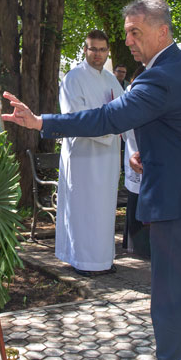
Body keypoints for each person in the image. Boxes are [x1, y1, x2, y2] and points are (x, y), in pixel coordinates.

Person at [3, 0, 181, 360]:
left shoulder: (161, 75)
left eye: (135, 32)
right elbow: (173, 127)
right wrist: (151, 152)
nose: (127, 41)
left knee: (168, 292)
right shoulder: (177, 65)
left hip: (178, 198)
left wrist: (42, 123)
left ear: (161, 32)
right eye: (126, 33)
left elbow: (109, 117)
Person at [55, 30, 125, 276]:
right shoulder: (73, 78)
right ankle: (82, 260)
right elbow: (75, 116)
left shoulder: (111, 80)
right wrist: (108, 131)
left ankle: (103, 259)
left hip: (108, 156)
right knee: (84, 207)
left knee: (105, 208)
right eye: (93, 49)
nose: (98, 54)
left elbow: (125, 110)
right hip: (83, 155)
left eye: (102, 50)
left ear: (108, 52)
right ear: (84, 50)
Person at [121, 65, 149, 258]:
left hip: (145, 149)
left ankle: (139, 244)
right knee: (136, 198)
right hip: (136, 150)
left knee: (141, 199)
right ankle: (136, 244)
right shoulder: (131, 94)